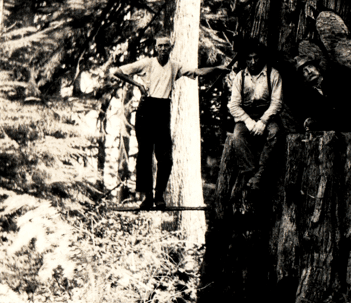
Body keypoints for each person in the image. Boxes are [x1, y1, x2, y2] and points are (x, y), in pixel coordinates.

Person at [112, 33, 227, 209]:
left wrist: (219, 68)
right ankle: (147, 197)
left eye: (166, 46)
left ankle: (159, 196)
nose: (163, 49)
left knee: (166, 158)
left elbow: (197, 72)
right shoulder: (147, 64)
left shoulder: (175, 67)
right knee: (144, 155)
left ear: (170, 48)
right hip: (145, 111)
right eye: (160, 46)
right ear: (155, 48)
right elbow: (118, 71)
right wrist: (138, 85)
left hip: (163, 110)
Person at [227, 42, 283, 194]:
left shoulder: (273, 74)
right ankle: (250, 175)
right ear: (245, 60)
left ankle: (261, 174)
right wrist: (249, 122)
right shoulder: (240, 77)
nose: (253, 62)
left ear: (262, 58)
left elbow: (277, 103)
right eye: (249, 58)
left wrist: (263, 121)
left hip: (268, 114)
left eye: (256, 58)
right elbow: (234, 105)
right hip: (247, 116)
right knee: (238, 137)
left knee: (275, 133)